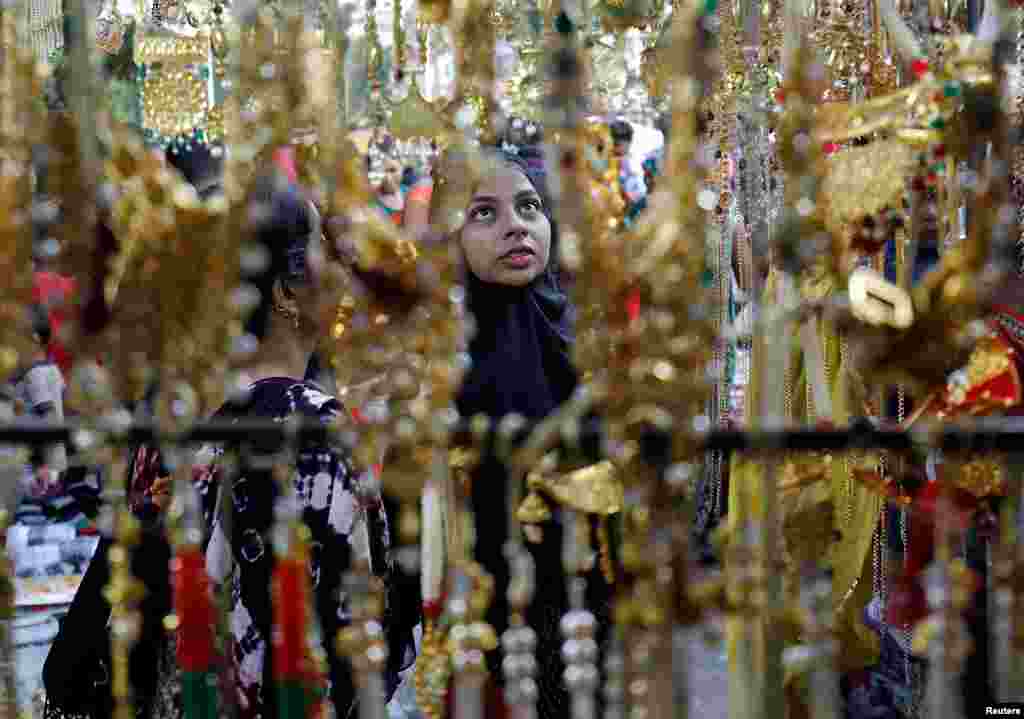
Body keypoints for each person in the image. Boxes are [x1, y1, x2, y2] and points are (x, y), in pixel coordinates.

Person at [45, 169, 413, 719]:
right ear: (287, 289)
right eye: (324, 250)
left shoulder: (175, 416)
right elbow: (340, 658)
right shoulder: (305, 430)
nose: (342, 268)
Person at [442, 149, 613, 719]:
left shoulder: (584, 334)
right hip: (484, 609)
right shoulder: (436, 357)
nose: (516, 224)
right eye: (484, 213)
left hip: (587, 595)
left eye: (529, 206)